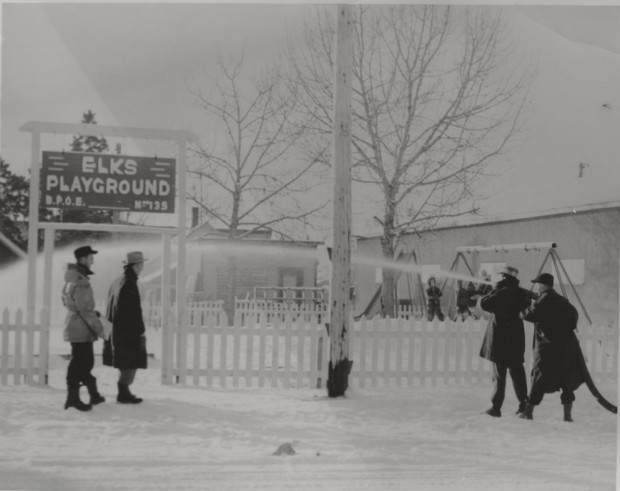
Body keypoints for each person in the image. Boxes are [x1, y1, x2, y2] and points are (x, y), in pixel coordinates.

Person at [519, 273, 585, 422]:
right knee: (565, 380)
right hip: (565, 347)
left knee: (538, 377)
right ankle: (567, 417)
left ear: (542, 286)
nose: (536, 288)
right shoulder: (562, 300)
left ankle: (528, 413)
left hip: (548, 347)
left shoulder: (543, 299)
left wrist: (522, 308)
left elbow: (530, 315)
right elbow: (574, 315)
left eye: (537, 285)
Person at [479, 266, 531, 417]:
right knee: (518, 374)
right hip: (515, 339)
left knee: (499, 376)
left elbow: (484, 304)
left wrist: (494, 289)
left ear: (504, 277)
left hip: (500, 340)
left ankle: (496, 408)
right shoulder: (521, 293)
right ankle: (524, 405)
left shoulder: (501, 292)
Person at [62, 245, 106, 411]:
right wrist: (100, 329)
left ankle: (93, 395)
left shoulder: (72, 279)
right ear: (82, 259)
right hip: (81, 327)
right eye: (90, 257)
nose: (93, 260)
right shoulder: (80, 281)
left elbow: (70, 303)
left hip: (77, 326)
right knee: (80, 364)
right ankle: (72, 399)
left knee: (85, 362)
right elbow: (85, 310)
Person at [105, 251, 148, 404]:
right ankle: (123, 392)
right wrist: (139, 330)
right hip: (128, 331)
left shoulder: (119, 281)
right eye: (141, 264)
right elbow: (133, 310)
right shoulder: (128, 283)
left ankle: (124, 391)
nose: (143, 267)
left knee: (127, 362)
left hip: (119, 330)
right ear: (136, 266)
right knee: (131, 362)